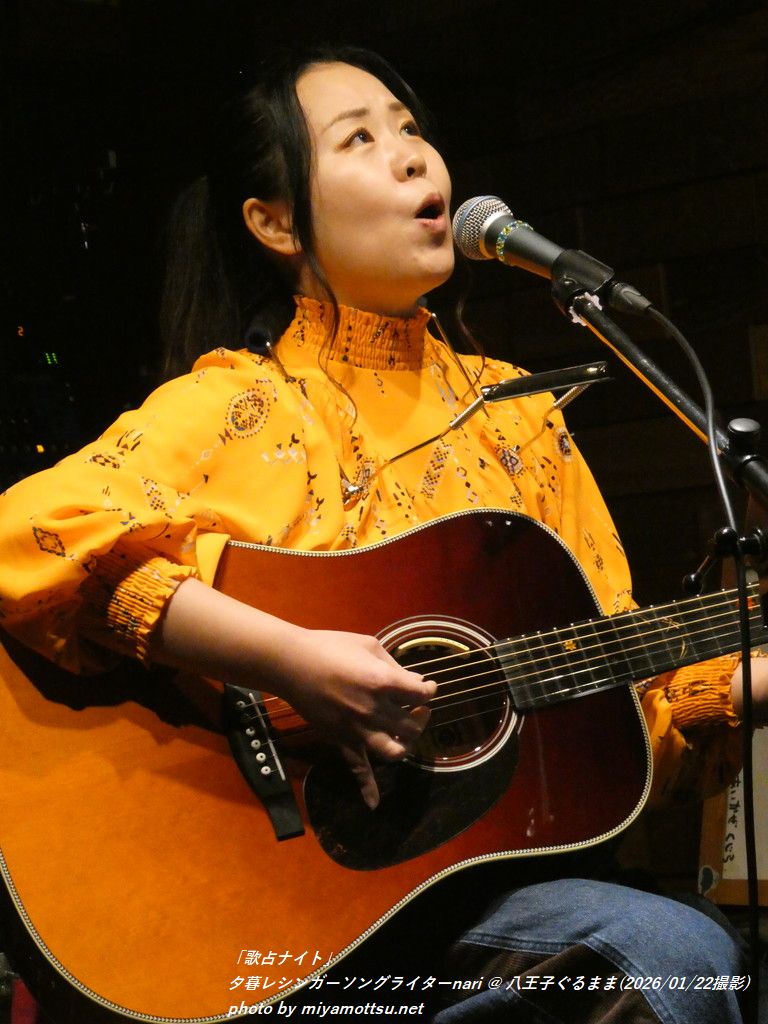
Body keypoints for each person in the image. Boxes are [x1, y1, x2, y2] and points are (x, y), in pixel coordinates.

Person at [0, 45, 765, 1023]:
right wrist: (287, 659)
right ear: (275, 223)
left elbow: (611, 725)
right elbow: (30, 537)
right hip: (271, 903)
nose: (412, 155)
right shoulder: (244, 403)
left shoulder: (521, 415)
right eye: (359, 139)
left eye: (409, 128)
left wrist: (739, 683)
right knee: (669, 950)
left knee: (695, 957)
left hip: (475, 897)